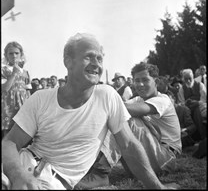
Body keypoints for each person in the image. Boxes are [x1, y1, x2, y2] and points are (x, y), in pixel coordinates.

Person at [1, 33, 179, 190]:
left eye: (100, 59)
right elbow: (10, 142)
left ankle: (100, 173)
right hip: (15, 167)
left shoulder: (108, 96)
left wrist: (158, 187)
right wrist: (18, 175)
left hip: (50, 182)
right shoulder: (40, 98)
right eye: (89, 57)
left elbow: (129, 145)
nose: (96, 64)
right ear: (68, 61)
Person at [77, 62, 182, 189]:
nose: (140, 84)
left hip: (166, 159)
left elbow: (122, 108)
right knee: (108, 118)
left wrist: (101, 100)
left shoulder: (163, 100)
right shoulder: (137, 99)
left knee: (125, 119)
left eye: (145, 80)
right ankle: (89, 168)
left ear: (156, 81)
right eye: (137, 81)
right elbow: (115, 108)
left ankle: (100, 173)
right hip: (142, 163)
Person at [1, 41, 30, 138]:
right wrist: (14, 73)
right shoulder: (4, 70)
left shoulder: (25, 72)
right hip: (8, 106)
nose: (14, 56)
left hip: (22, 106)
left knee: (22, 134)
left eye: (16, 53)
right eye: (11, 53)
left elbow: (28, 92)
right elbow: (5, 88)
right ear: (6, 55)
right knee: (8, 134)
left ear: (21, 54)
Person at [177, 69, 207, 141]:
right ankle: (197, 137)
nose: (188, 81)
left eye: (190, 78)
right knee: (186, 113)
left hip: (200, 106)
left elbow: (204, 99)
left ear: (193, 77)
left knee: (197, 111)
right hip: (188, 108)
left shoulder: (200, 85)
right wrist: (186, 103)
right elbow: (181, 102)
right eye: (186, 79)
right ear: (183, 79)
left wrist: (197, 102)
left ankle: (201, 136)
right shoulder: (182, 89)